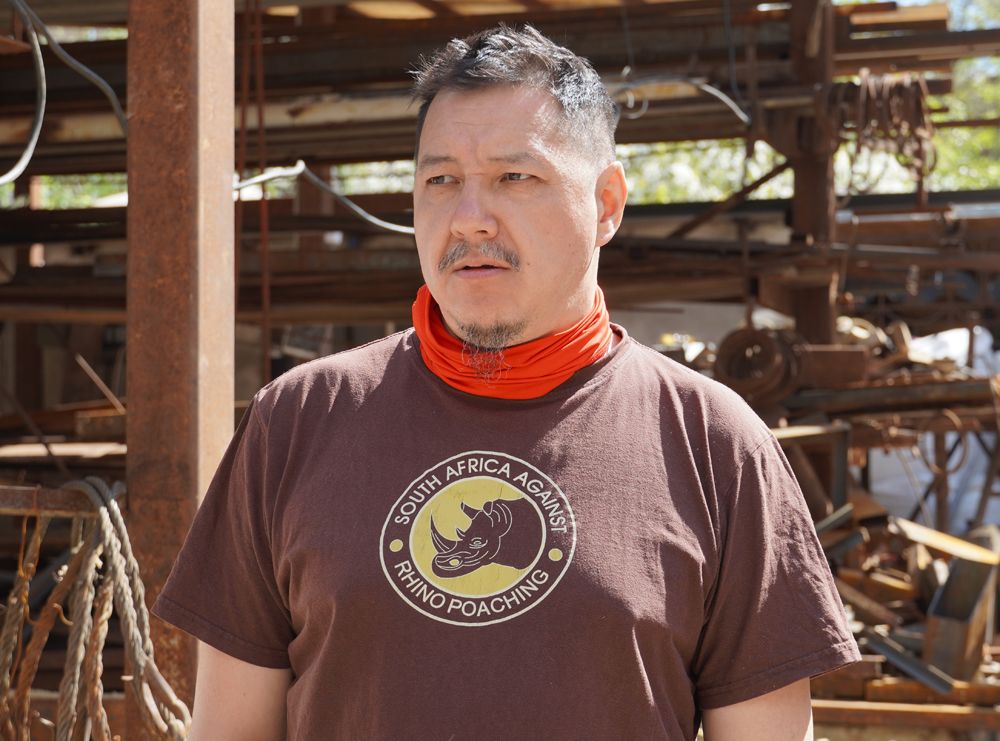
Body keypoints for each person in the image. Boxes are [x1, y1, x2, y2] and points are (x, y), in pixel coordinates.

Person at [154, 24, 859, 741]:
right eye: (441, 181)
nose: (469, 219)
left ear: (607, 204)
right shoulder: (294, 422)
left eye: (514, 178)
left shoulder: (716, 444)